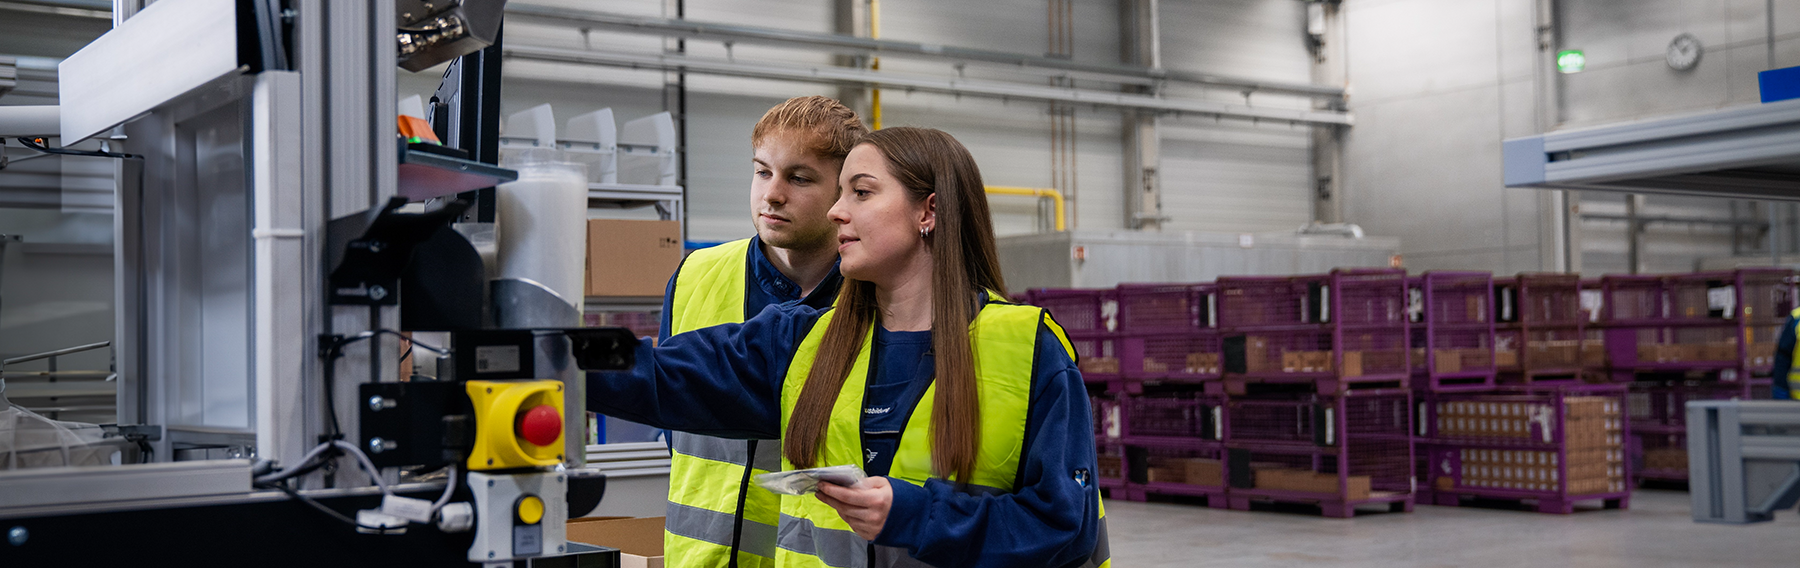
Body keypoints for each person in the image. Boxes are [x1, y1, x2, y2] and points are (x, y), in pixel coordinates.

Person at [591, 127, 1109, 568]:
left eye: (860, 193)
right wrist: (539, 349)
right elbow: (657, 373)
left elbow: (1065, 524)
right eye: (839, 194)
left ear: (928, 211)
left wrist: (916, 514)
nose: (836, 212)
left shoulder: (1026, 349)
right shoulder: (802, 340)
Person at [656, 96, 867, 568]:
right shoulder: (695, 274)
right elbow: (671, 422)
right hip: (700, 558)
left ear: (845, 192)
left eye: (799, 178)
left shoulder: (875, 294)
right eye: (762, 171)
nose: (772, 194)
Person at [1770, 307, 1800, 400]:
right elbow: (1783, 357)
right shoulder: (1796, 319)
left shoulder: (1796, 318)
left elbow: (1783, 357)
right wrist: (1781, 390)